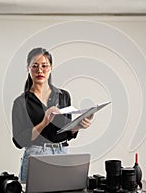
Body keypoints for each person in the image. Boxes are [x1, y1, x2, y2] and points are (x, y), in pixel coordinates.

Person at [12, 47, 94, 182]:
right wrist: (44, 121)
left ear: (51, 68)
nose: (40, 70)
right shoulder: (20, 102)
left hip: (63, 153)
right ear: (28, 68)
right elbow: (19, 141)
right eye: (35, 66)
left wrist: (78, 125)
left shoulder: (63, 96)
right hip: (36, 155)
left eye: (44, 66)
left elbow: (66, 131)